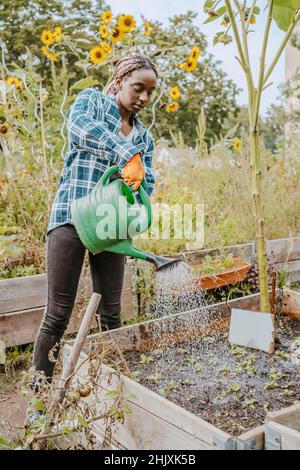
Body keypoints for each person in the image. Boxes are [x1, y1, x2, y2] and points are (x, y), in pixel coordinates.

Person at [32, 55, 158, 383]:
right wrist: (125, 156)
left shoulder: (145, 138)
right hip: (70, 218)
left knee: (110, 314)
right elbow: (79, 129)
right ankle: (38, 396)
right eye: (138, 88)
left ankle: (106, 393)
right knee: (57, 315)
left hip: (112, 228)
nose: (143, 97)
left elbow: (148, 184)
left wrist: (138, 181)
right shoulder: (91, 102)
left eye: (150, 92)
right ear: (118, 82)